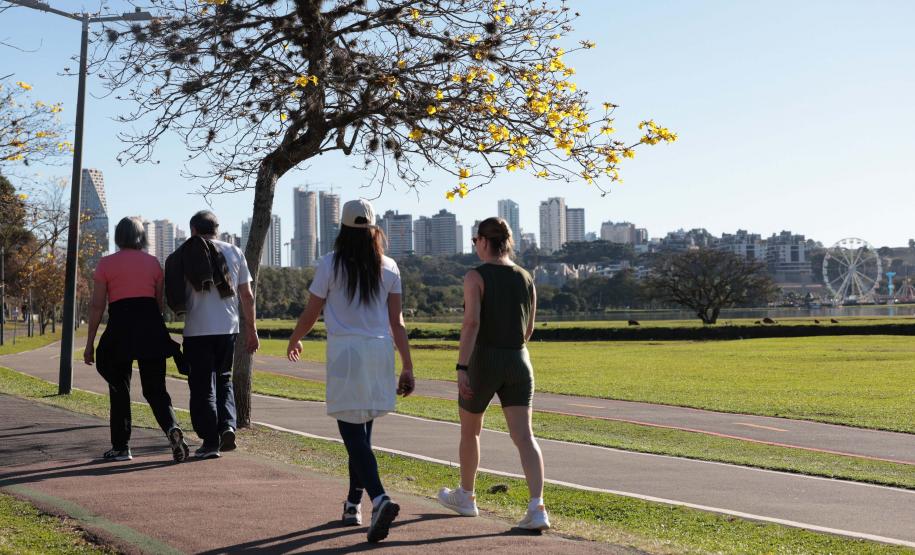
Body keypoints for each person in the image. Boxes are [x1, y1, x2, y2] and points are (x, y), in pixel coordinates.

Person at [286, 199, 415, 543]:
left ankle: (379, 498)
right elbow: (397, 322)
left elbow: (312, 312)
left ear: (342, 229)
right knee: (363, 436)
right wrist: (408, 365)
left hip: (346, 353)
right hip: (379, 352)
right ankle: (352, 503)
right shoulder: (389, 267)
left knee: (352, 436)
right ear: (374, 230)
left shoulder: (329, 264)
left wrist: (295, 338)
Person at [437, 217, 549, 531]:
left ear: (484, 241)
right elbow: (528, 329)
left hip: (483, 359)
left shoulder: (475, 276)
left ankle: (467, 496)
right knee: (524, 437)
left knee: (470, 430)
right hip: (519, 359)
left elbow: (471, 323)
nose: (475, 246)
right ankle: (537, 506)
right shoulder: (526, 277)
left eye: (475, 240)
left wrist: (462, 367)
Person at [83, 216, 189, 463]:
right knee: (155, 389)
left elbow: (97, 306)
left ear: (118, 237)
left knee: (119, 389)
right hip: (151, 328)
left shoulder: (105, 264)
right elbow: (159, 304)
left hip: (120, 329)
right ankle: (171, 427)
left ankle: (121, 447)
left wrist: (90, 344)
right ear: (141, 237)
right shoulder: (153, 263)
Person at [164, 210, 258, 459]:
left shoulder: (183, 254)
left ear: (194, 230)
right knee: (224, 379)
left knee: (202, 386)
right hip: (228, 329)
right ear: (216, 229)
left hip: (197, 330)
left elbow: (174, 291)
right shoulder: (235, 252)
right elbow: (247, 296)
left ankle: (210, 441)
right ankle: (227, 425)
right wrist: (252, 330)